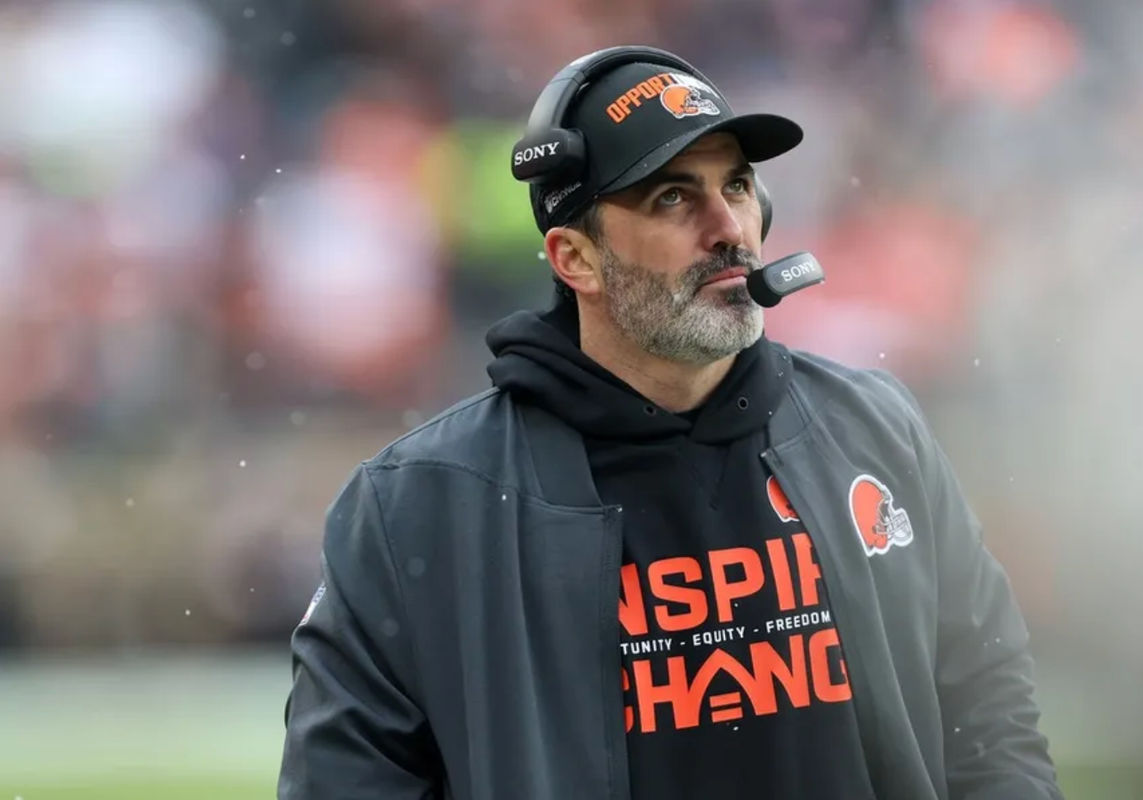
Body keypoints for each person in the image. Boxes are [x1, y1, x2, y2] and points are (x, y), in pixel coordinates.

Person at [278, 46, 1062, 800]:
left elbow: (988, 718)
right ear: (574, 258)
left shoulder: (876, 430)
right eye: (673, 197)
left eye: (741, 186)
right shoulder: (419, 506)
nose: (730, 229)